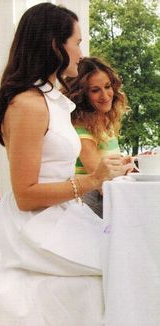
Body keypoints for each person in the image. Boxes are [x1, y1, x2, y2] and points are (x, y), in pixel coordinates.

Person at [0, 4, 133, 326]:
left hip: (60, 215)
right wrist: (94, 180)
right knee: (127, 264)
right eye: (77, 42)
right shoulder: (28, 104)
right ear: (57, 46)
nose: (80, 53)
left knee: (132, 253)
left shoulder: (49, 100)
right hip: (33, 225)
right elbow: (26, 196)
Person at [63, 57, 129, 218]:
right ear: (82, 94)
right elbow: (102, 181)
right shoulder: (81, 131)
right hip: (93, 211)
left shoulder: (104, 124)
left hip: (108, 203)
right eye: (95, 90)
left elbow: (111, 168)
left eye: (108, 87)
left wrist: (126, 164)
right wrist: (126, 170)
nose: (105, 95)